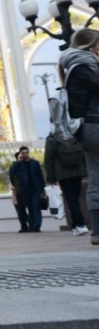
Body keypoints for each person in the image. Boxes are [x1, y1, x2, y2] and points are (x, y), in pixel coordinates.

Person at [60, 27, 99, 245]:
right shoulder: (83, 67)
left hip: (89, 127)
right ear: (91, 45)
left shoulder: (78, 65)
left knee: (96, 176)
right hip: (94, 125)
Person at [44, 131, 89, 236]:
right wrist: (85, 169)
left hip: (63, 174)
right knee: (75, 199)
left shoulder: (52, 138)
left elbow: (49, 159)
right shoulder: (73, 134)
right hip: (78, 172)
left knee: (71, 200)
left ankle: (80, 224)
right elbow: (83, 152)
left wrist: (51, 178)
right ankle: (75, 225)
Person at [8, 146, 45, 232]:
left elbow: (40, 176)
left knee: (36, 207)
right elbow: (12, 172)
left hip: (35, 188)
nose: (25, 155)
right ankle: (32, 225)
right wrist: (18, 161)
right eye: (23, 153)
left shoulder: (35, 163)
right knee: (30, 208)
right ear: (20, 154)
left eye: (26, 153)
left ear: (28, 153)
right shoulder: (18, 164)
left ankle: (37, 225)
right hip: (24, 190)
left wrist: (43, 188)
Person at [8, 151, 29, 233]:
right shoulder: (14, 166)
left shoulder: (27, 165)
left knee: (27, 209)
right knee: (20, 210)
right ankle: (24, 226)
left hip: (25, 190)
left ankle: (30, 225)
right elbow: (11, 177)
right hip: (18, 191)